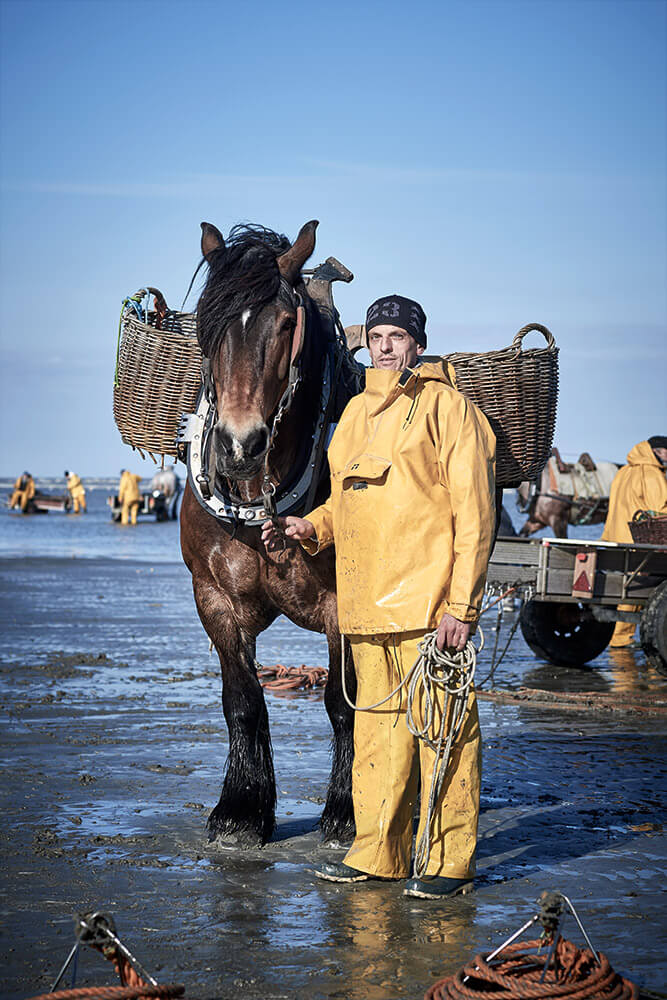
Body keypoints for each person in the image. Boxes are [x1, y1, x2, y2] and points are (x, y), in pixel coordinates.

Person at [262, 294, 496, 898]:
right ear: (365, 342)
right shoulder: (356, 415)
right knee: (377, 737)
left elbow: (474, 516)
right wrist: (312, 527)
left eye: (398, 335)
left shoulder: (451, 409)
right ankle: (377, 855)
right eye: (377, 335)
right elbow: (347, 502)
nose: (386, 345)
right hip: (365, 607)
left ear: (417, 342)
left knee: (442, 733)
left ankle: (449, 863)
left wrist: (461, 607)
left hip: (428, 610)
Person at [601, 436, 667, 647]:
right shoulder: (652, 474)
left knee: (625, 585)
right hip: (640, 539)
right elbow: (661, 510)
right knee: (637, 587)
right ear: (658, 451)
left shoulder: (623, 472)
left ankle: (619, 635)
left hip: (615, 537)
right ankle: (621, 637)